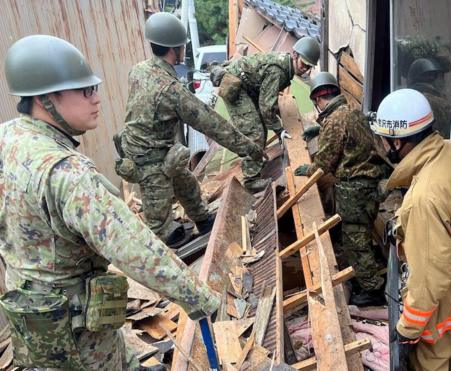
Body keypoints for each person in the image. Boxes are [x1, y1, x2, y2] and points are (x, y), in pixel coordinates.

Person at [0, 34, 222, 370]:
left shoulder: (9, 139)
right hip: (78, 336)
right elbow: (135, 248)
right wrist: (199, 297)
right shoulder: (67, 174)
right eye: (85, 90)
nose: (97, 99)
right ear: (46, 99)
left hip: (35, 322)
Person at [118, 12, 265, 247]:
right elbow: (213, 125)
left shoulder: (138, 70)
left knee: (185, 182)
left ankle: (202, 219)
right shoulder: (171, 90)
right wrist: (250, 148)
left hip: (151, 150)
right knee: (161, 230)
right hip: (148, 162)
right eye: (183, 46)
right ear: (175, 48)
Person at [371, 89, 451, 370]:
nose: (384, 145)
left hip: (449, 294)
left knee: (429, 362)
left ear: (397, 142)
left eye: (385, 139)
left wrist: (409, 327)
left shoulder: (423, 201)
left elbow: (430, 274)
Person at [294, 72, 387, 305]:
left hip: (355, 189)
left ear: (318, 99)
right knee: (361, 234)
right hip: (370, 184)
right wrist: (320, 129)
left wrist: (307, 169)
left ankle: (372, 290)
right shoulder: (352, 111)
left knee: (355, 239)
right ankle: (369, 274)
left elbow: (324, 163)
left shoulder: (334, 120)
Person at [209, 36, 321, 192]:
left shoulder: (285, 66)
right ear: (295, 55)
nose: (305, 69)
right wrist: (280, 130)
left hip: (247, 88)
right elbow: (266, 107)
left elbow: (267, 100)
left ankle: (255, 166)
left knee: (261, 125)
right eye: (304, 64)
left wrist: (275, 121)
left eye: (309, 67)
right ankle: (250, 180)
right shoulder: (278, 70)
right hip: (236, 87)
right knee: (255, 132)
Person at [407, 57, 451, 137]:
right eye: (440, 76)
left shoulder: (408, 98)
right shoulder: (437, 103)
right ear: (430, 77)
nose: (443, 80)